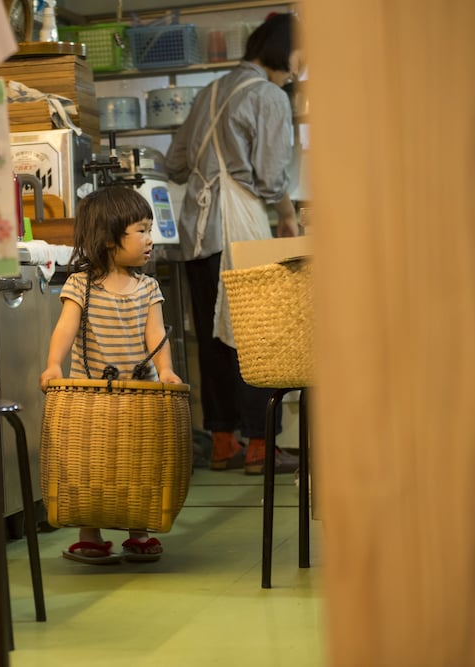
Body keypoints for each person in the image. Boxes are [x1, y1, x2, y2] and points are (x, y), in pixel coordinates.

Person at [164, 12, 302, 476]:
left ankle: (222, 443)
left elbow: (176, 163)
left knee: (211, 338)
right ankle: (260, 445)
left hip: (197, 233)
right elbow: (269, 177)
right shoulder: (269, 96)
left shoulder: (208, 91)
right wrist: (285, 215)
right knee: (255, 335)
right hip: (238, 229)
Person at [39, 186, 182, 565]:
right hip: (90, 399)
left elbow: (157, 334)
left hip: (141, 396)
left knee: (140, 461)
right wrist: (54, 364)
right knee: (88, 464)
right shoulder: (81, 284)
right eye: (141, 230)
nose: (150, 239)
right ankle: (90, 533)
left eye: (149, 229)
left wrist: (166, 371)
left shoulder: (148, 287)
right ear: (106, 239)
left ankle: (139, 530)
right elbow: (65, 329)